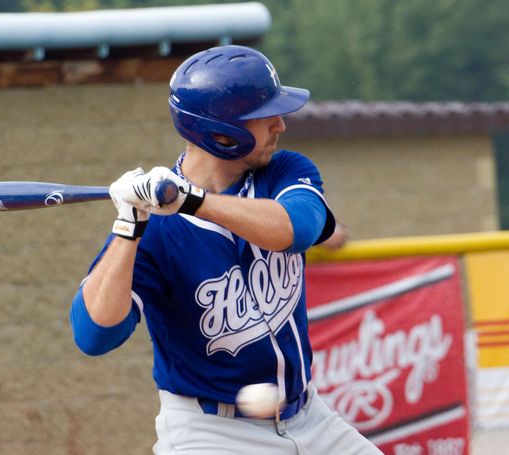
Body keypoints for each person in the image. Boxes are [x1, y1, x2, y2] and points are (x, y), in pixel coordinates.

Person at [70, 45, 382, 455]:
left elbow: (301, 227)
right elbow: (94, 335)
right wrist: (128, 227)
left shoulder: (285, 172)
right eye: (263, 115)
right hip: (210, 434)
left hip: (310, 417)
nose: (280, 125)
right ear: (221, 133)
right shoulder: (156, 231)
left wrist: (194, 200)